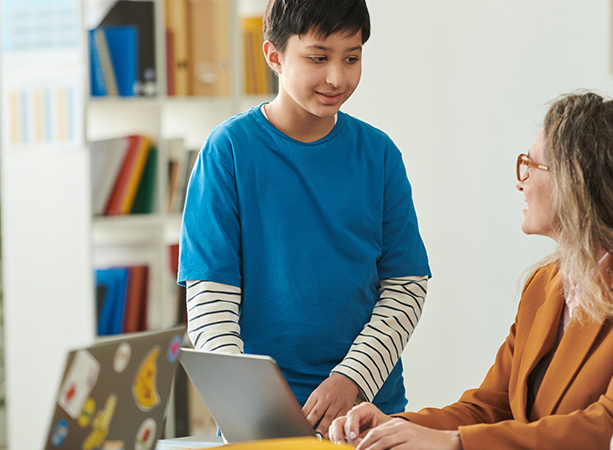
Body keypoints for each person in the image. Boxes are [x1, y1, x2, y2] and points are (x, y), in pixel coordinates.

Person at [329, 92, 613, 449]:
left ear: (581, 182)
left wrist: (456, 443)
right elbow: (489, 406)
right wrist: (397, 425)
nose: (521, 182)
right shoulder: (544, 286)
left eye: (531, 166)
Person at [177, 0, 431, 436]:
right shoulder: (229, 152)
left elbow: (405, 286)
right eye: (318, 58)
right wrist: (249, 407)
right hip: (263, 421)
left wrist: (350, 379)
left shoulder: (379, 154)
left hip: (367, 414)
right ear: (274, 56)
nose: (337, 77)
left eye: (352, 58)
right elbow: (210, 300)